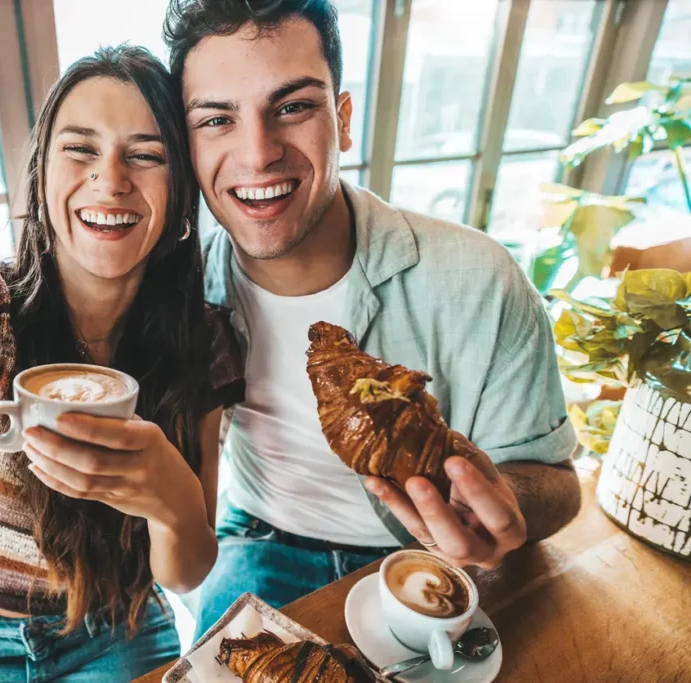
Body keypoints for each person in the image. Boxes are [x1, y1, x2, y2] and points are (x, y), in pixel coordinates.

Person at [161, 0, 583, 637]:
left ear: (344, 119)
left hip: (434, 558)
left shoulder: (481, 278)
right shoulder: (182, 290)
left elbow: (556, 480)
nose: (258, 154)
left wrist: (495, 506)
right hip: (257, 542)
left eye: (294, 106)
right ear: (185, 145)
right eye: (217, 119)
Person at [0, 45, 243, 682]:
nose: (111, 178)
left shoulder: (202, 342)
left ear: (183, 194)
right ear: (42, 173)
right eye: (81, 148)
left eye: (146, 154)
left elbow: (186, 572)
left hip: (119, 632)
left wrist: (173, 503)